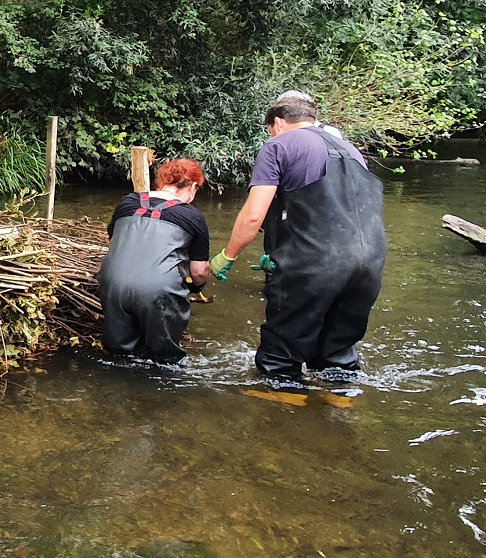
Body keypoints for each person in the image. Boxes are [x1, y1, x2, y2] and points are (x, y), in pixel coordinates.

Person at [209, 97, 387, 381]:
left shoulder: (279, 145)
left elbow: (254, 216)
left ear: (278, 122)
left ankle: (282, 409)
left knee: (281, 357)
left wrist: (228, 255)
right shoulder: (350, 150)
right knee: (338, 355)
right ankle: (340, 405)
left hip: (315, 263)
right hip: (371, 263)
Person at [97, 158, 211, 363]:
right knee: (163, 360)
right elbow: (198, 272)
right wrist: (197, 286)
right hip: (158, 289)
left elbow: (116, 241)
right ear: (193, 186)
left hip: (113, 282)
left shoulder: (127, 202)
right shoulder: (192, 216)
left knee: (118, 357)